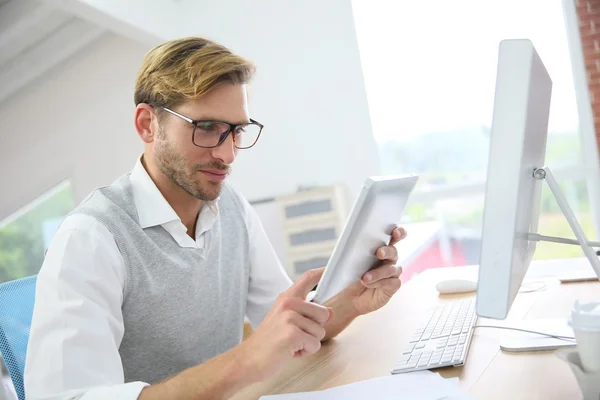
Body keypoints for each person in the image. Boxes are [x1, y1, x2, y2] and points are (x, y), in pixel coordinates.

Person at [23, 37, 406, 400]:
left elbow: (293, 332)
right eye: (206, 128)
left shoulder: (233, 209)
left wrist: (354, 300)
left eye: (236, 131)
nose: (227, 155)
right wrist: (247, 359)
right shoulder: (92, 236)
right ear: (147, 125)